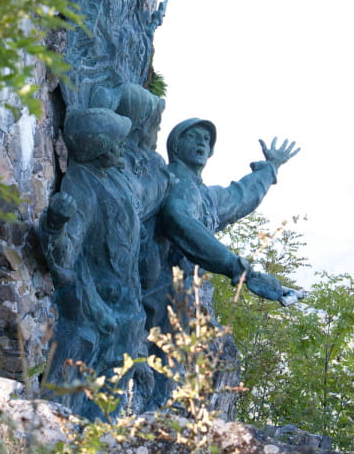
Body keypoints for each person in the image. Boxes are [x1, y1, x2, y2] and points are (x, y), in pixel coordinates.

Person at [38, 107, 152, 418]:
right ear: (99, 149)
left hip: (126, 313)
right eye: (116, 142)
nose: (121, 148)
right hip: (92, 311)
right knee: (68, 389)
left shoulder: (116, 179)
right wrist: (55, 225)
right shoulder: (81, 185)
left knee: (109, 402)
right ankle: (51, 449)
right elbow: (67, 253)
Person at [159, 118, 304, 305]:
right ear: (176, 146)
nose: (201, 142)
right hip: (158, 292)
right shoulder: (174, 183)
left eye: (205, 139)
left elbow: (240, 196)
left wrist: (270, 167)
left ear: (211, 151)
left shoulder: (205, 195)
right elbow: (181, 221)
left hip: (182, 293)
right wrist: (243, 271)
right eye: (192, 136)